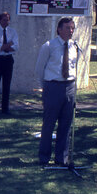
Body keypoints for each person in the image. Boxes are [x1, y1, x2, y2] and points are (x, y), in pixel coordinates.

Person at [34, 18, 81, 166]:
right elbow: (39, 69)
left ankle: (61, 158)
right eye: (67, 28)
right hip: (53, 86)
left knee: (66, 124)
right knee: (49, 124)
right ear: (59, 29)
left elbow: (74, 67)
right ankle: (44, 157)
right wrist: (46, 87)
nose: (71, 31)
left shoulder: (75, 47)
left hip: (69, 87)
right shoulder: (49, 46)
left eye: (72, 28)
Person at [0, 11, 19, 114]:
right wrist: (9, 44)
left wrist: (5, 46)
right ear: (0, 21)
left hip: (8, 59)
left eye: (7, 20)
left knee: (7, 84)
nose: (6, 22)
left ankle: (5, 108)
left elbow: (16, 47)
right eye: (4, 20)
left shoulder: (13, 32)